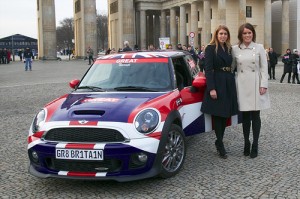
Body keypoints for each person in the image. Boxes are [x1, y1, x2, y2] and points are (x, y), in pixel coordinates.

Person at [232, 23, 270, 158]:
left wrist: (263, 84)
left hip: (256, 84)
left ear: (253, 33)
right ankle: (246, 142)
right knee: (245, 117)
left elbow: (264, 68)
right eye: (244, 33)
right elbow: (231, 68)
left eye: (249, 33)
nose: (247, 35)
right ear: (240, 35)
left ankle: (255, 144)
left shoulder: (259, 48)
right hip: (242, 85)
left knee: (256, 116)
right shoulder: (235, 49)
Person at [200, 25, 238, 159]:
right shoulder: (210, 48)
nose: (223, 36)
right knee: (218, 114)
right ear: (216, 35)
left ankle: (219, 141)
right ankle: (220, 143)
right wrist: (211, 88)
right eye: (221, 34)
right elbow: (208, 69)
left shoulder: (228, 48)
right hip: (217, 82)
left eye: (225, 34)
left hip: (228, 82)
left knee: (225, 114)